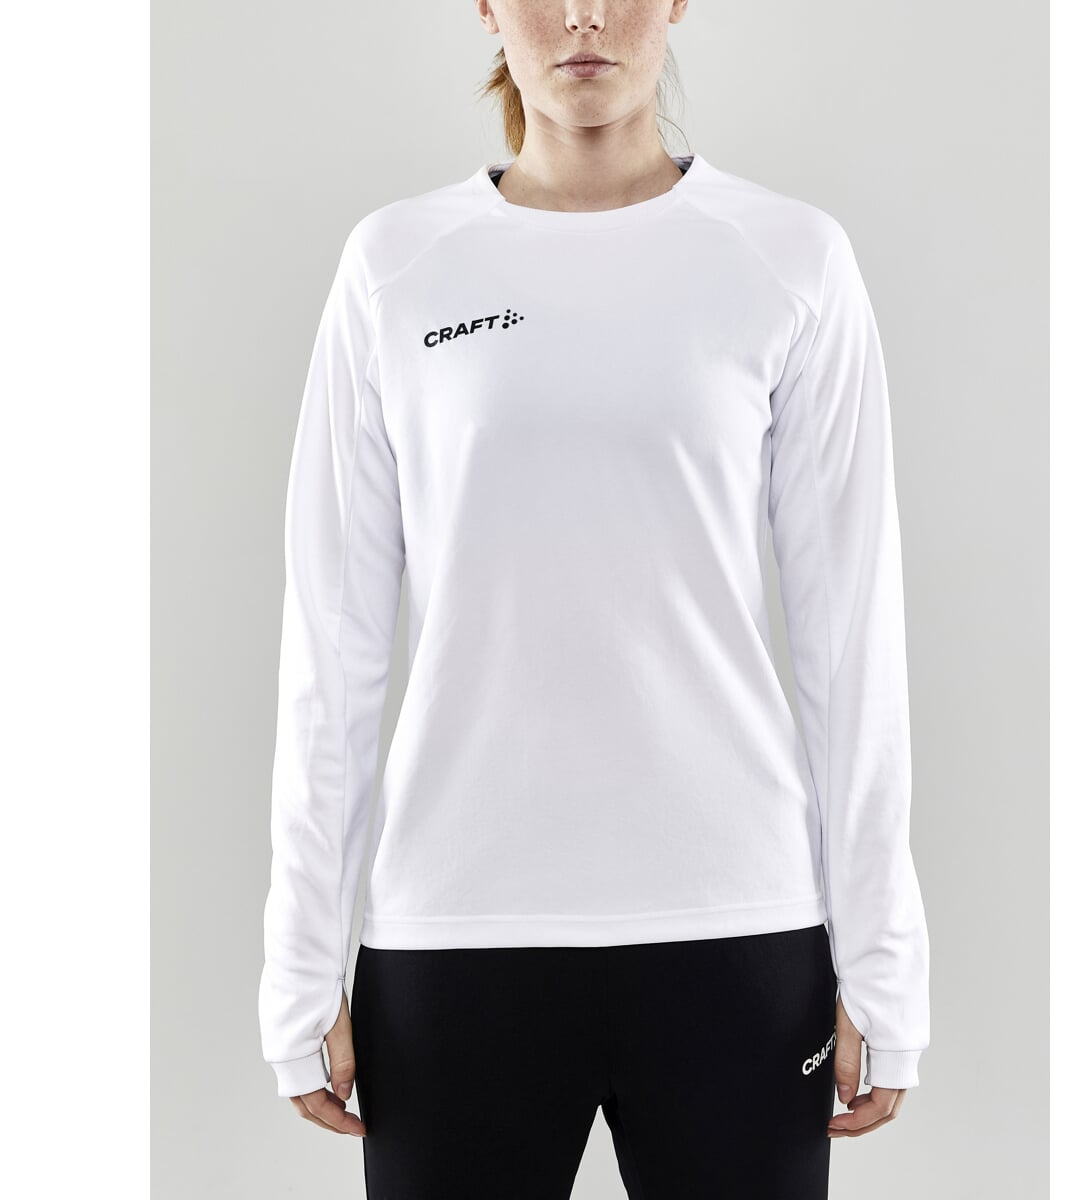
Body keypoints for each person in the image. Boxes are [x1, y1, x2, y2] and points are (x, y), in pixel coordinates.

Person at [257, 1, 931, 1196]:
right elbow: (334, 644)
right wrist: (300, 965)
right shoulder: (395, 266)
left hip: (736, 932)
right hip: (457, 939)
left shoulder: (789, 258)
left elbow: (852, 638)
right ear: (484, 6)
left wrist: (885, 962)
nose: (582, 15)